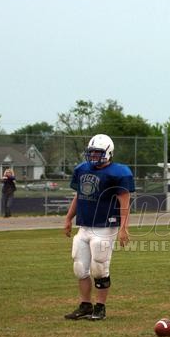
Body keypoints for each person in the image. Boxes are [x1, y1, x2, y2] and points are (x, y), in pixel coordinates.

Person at [63, 134, 134, 321]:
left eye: (98, 152)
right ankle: (85, 305)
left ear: (108, 153)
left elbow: (124, 202)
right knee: (80, 268)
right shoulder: (82, 169)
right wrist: (68, 218)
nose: (94, 156)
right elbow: (79, 196)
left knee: (100, 268)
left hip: (105, 226)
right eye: (92, 152)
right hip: (84, 226)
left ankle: (100, 307)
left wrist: (124, 228)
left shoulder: (118, 173)